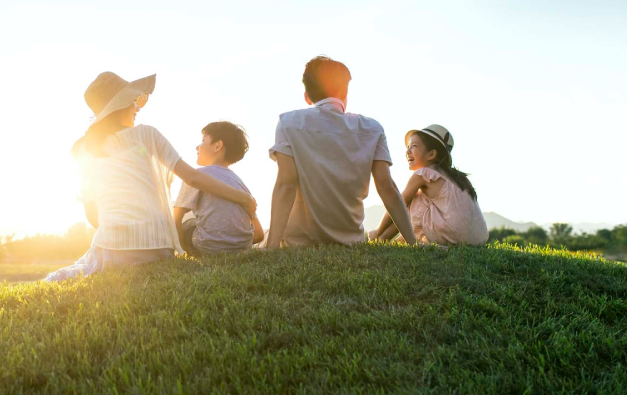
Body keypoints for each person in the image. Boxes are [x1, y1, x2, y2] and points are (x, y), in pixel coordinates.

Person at [43, 72, 257, 282]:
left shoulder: (85, 149)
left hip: (114, 248)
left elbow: (93, 217)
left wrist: (123, 231)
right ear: (120, 105)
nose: (136, 107)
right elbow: (192, 178)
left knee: (78, 269)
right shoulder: (147, 134)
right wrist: (243, 198)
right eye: (132, 102)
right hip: (159, 250)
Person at [262, 56, 415, 249]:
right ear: (345, 91)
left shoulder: (288, 123)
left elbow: (286, 184)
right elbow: (387, 188)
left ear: (307, 96)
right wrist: (412, 243)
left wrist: (271, 246)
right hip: (350, 243)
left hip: (298, 242)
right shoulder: (373, 129)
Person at [369, 124, 488, 246]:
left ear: (431, 154)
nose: (407, 151)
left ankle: (381, 237)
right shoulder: (458, 178)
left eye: (414, 146)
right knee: (422, 200)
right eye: (408, 147)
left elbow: (396, 202)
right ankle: (386, 239)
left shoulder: (424, 173)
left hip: (451, 234)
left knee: (410, 199)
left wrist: (378, 231)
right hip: (477, 239)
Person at [173, 121, 264, 255]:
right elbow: (260, 234)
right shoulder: (240, 184)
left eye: (203, 140)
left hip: (206, 247)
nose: (197, 147)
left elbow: (176, 217)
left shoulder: (197, 175)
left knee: (180, 211)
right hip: (241, 249)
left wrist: (181, 246)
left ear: (218, 146)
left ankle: (180, 250)